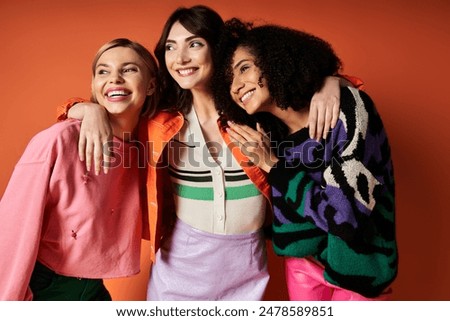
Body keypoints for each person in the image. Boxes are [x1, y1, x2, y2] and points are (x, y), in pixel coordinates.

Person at [57, 5, 354, 300]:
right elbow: (117, 101)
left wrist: (332, 82)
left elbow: (345, 96)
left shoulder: (256, 108)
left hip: (248, 271)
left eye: (195, 44)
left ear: (218, 48)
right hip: (176, 275)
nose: (181, 58)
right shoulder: (159, 121)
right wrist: (85, 107)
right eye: (171, 47)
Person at [217, 18, 398, 300]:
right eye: (229, 80)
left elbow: (344, 219)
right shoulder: (267, 136)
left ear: (276, 60)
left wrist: (273, 166)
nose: (236, 86)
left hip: (358, 270)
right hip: (301, 267)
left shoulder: (348, 110)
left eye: (244, 68)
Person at [0, 38, 158, 300]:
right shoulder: (58, 140)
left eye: (129, 69)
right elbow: (11, 229)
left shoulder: (150, 145)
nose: (114, 79)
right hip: (43, 286)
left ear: (151, 85)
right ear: (94, 85)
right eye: (103, 71)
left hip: (94, 287)